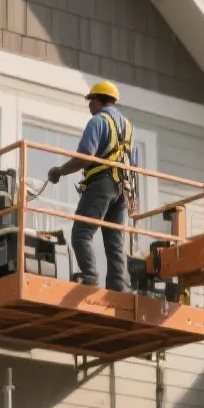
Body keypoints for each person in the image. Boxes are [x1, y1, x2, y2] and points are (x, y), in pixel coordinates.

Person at [44, 80, 135, 292]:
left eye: (90, 100)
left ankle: (90, 280)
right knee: (114, 241)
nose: (89, 106)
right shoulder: (128, 126)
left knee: (81, 233)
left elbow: (84, 157)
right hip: (122, 188)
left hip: (102, 184)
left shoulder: (98, 121)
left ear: (98, 99)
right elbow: (131, 161)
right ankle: (117, 289)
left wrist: (59, 171)